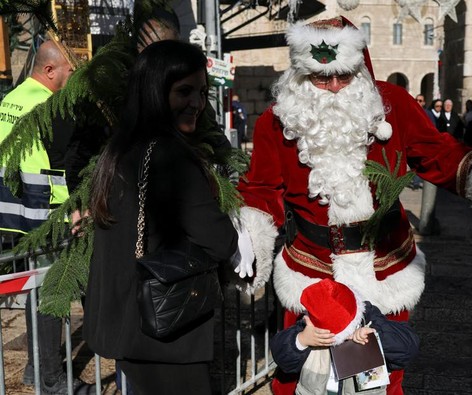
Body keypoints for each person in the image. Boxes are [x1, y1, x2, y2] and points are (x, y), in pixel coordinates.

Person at [233, 16, 472, 395]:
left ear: (361, 67)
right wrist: (250, 237)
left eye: (344, 75)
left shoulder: (392, 105)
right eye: (322, 77)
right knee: (303, 376)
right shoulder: (276, 120)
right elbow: (261, 187)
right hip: (311, 273)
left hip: (385, 269)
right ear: (302, 73)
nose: (333, 87)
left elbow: (439, 154)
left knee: (380, 377)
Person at [81, 40, 240, 395]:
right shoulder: (171, 157)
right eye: (184, 91)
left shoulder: (120, 150)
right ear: (155, 91)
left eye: (201, 92)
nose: (197, 103)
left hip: (132, 329)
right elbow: (219, 240)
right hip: (166, 335)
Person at [0, 39, 81, 394]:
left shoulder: (10, 100)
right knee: (52, 296)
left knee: (34, 291)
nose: (72, 77)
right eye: (69, 71)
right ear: (49, 70)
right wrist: (75, 209)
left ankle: (35, 368)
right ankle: (51, 380)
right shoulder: (50, 106)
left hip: (11, 216)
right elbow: (61, 166)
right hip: (46, 217)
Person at [270, 279, 420, 394]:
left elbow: (409, 348)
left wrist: (378, 335)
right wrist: (301, 340)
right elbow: (282, 357)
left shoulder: (369, 319)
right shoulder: (309, 328)